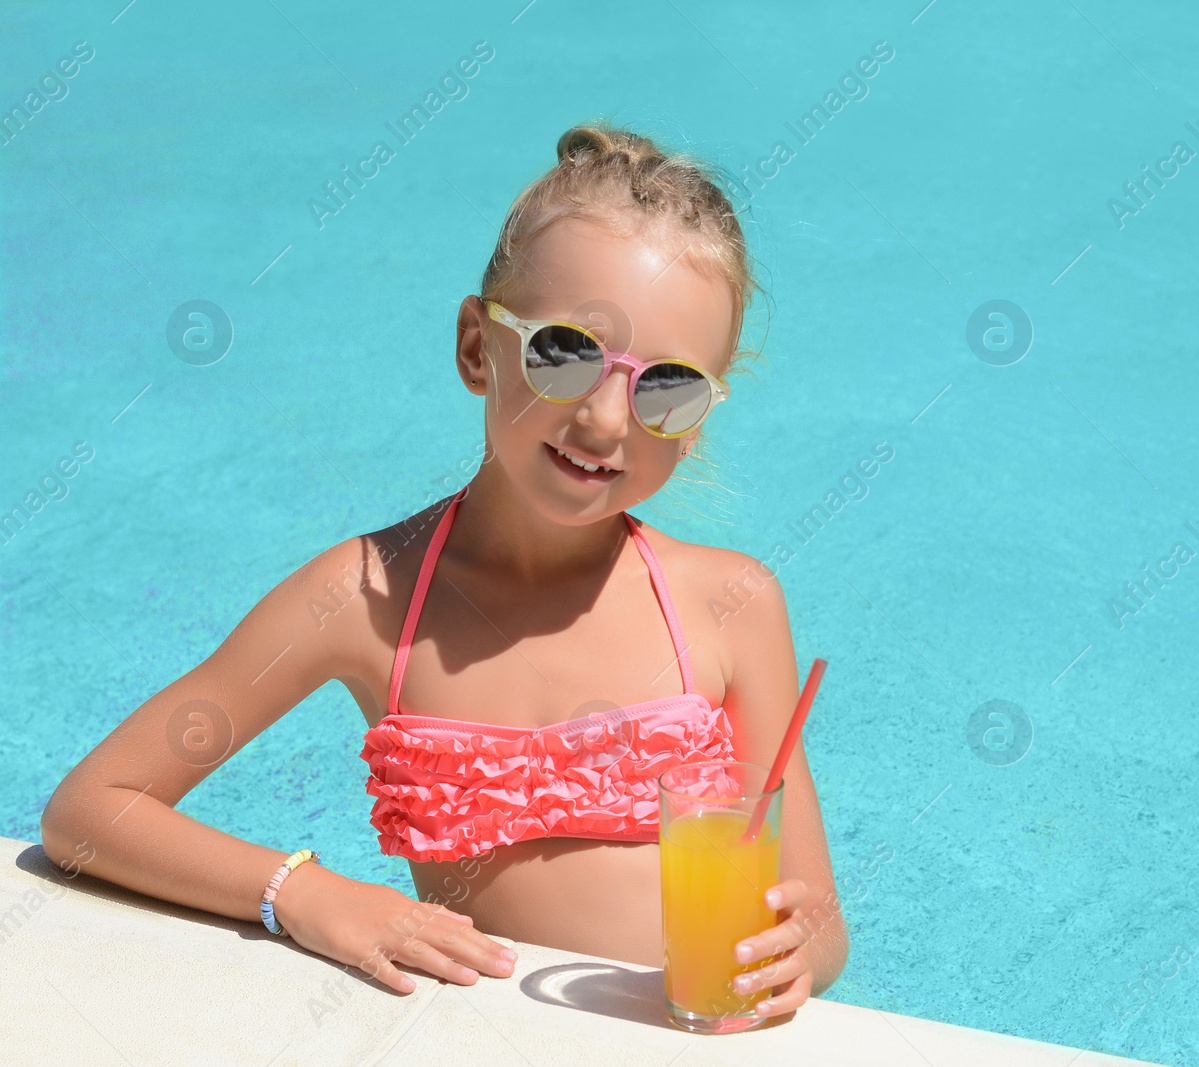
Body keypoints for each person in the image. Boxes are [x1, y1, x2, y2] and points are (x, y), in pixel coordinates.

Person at [41, 123, 847, 1021]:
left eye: (668, 387)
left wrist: (789, 956)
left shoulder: (732, 607)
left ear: (696, 421)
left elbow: (817, 918)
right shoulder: (360, 597)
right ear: (477, 347)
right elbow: (90, 809)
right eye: (566, 352)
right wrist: (305, 895)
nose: (608, 420)